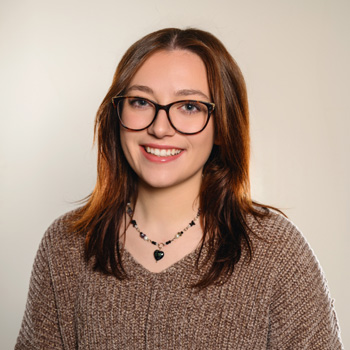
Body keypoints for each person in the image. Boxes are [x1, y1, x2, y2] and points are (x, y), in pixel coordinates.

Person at [16, 28, 343, 349]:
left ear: (221, 126)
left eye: (189, 106)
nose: (159, 128)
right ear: (117, 115)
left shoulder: (276, 252)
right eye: (141, 102)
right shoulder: (64, 246)